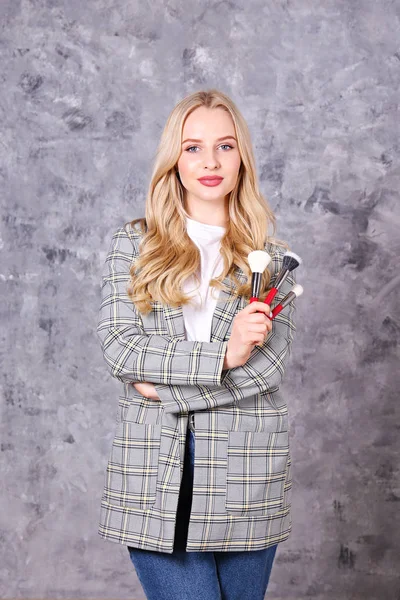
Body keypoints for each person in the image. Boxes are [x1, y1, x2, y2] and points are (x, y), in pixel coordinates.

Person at [96, 89, 297, 600]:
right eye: (193, 147)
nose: (210, 161)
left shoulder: (272, 261)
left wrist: (162, 390)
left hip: (247, 473)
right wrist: (223, 356)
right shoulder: (133, 245)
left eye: (225, 146)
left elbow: (265, 371)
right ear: (175, 161)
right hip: (154, 473)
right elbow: (122, 349)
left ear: (241, 159)